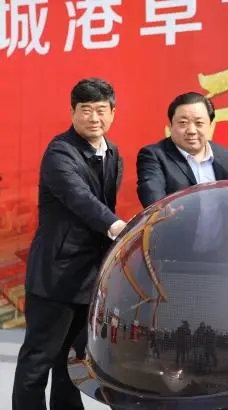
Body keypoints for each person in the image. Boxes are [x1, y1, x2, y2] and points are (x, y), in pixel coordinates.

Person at [13, 78, 127, 410]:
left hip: (89, 277)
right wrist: (115, 225)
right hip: (56, 276)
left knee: (73, 362)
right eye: (86, 110)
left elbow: (104, 200)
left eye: (101, 110)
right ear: (72, 112)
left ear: (113, 112)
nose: (94, 118)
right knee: (38, 360)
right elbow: (80, 199)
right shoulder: (59, 152)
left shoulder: (112, 152)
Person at [136, 92, 228, 208]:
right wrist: (163, 211)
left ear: (210, 125)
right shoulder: (154, 156)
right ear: (171, 126)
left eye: (199, 123)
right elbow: (153, 197)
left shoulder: (223, 155)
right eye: (183, 123)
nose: (191, 131)